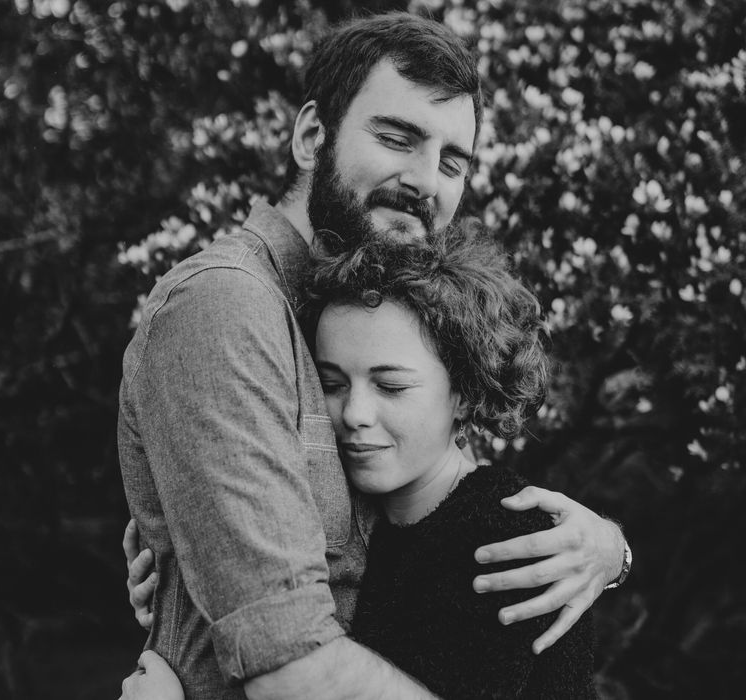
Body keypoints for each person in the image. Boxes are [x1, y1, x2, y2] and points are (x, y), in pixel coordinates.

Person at [118, 12, 629, 700]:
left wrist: (607, 548)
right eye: (397, 137)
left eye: (452, 161)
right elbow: (288, 668)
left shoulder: (359, 315)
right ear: (309, 136)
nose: (426, 181)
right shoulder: (226, 308)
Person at [121, 224, 597, 699]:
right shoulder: (386, 518)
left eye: (390, 387)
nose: (354, 414)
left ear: (465, 395)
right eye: (332, 384)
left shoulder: (501, 538)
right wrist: (197, 589)